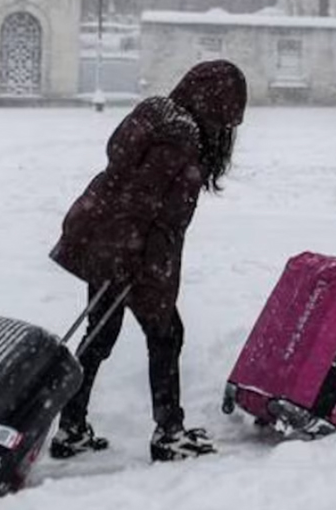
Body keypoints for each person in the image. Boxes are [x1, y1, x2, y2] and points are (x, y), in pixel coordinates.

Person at [48, 59, 248, 461]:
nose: (229, 127)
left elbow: (128, 186)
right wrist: (138, 263)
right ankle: (168, 433)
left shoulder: (160, 113)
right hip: (130, 248)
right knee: (165, 335)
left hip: (105, 238)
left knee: (100, 332)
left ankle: (71, 427)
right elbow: (145, 206)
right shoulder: (182, 136)